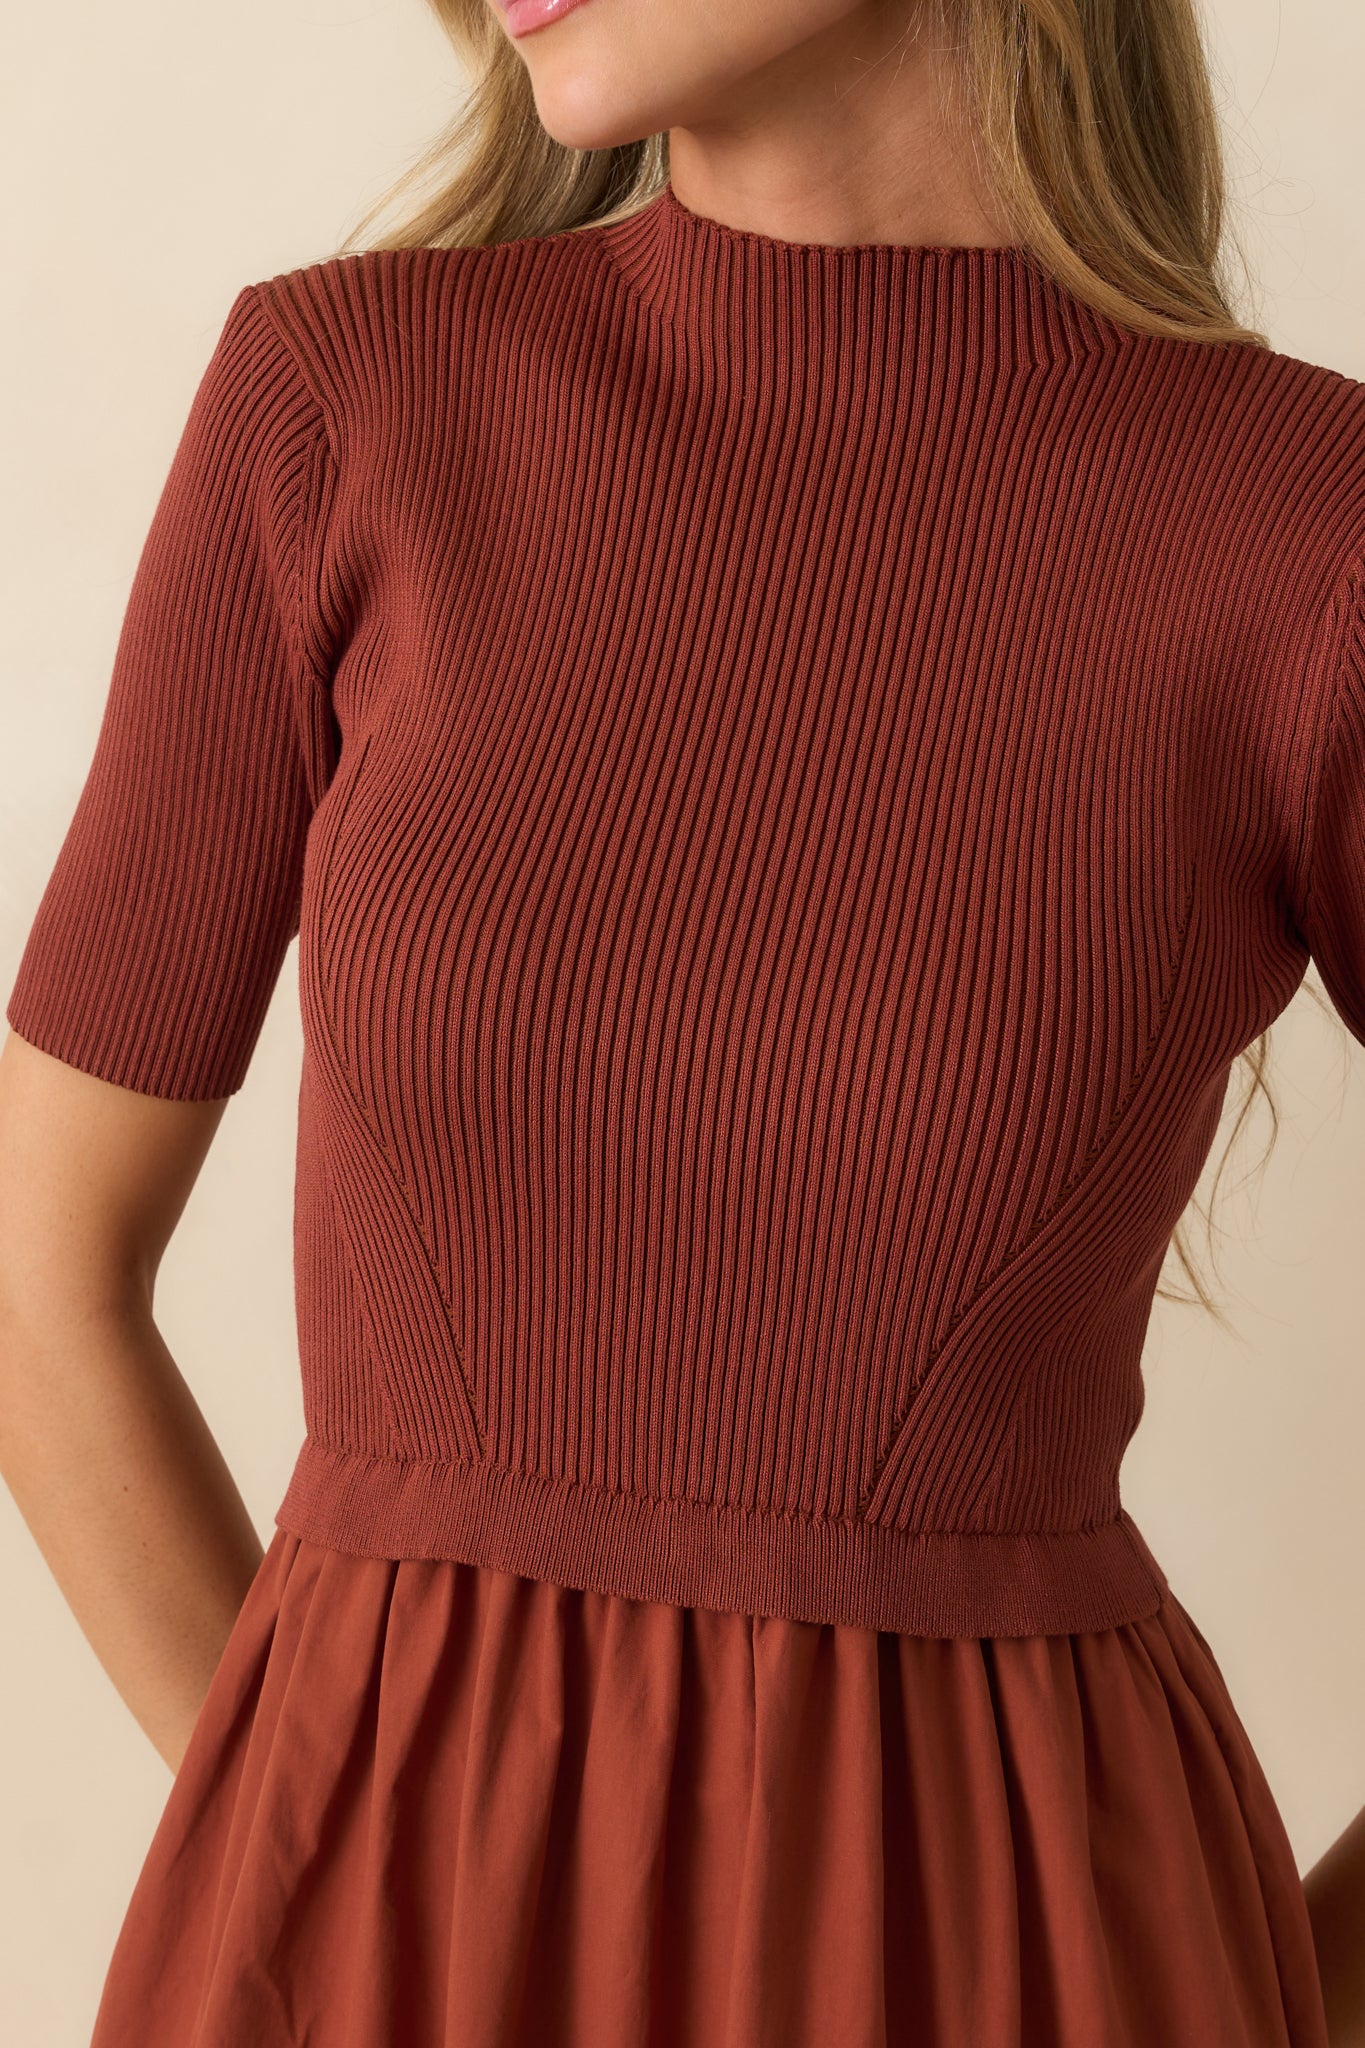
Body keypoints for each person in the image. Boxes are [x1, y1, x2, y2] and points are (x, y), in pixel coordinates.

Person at [1, 0, 1362, 2040]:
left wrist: (1250, 1980)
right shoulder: (346, 403)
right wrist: (316, 1852)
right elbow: (41, 1277)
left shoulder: (1299, 534)